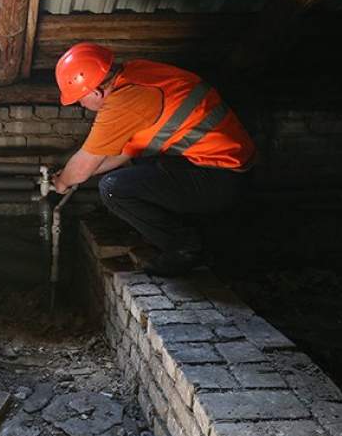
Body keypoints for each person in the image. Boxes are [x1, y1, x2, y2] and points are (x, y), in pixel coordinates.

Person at [49, 42, 256, 276]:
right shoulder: (137, 72)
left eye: (79, 99)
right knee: (139, 161)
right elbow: (124, 153)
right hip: (230, 167)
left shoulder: (123, 103)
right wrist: (76, 173)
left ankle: (184, 248)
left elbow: (82, 167)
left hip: (221, 179)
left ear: (95, 93)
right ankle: (184, 228)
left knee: (113, 189)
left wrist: (63, 182)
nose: (81, 105)